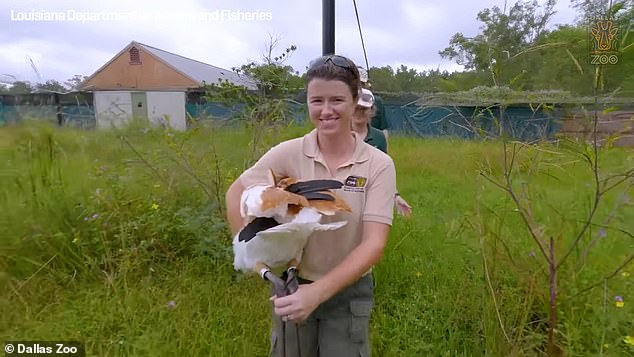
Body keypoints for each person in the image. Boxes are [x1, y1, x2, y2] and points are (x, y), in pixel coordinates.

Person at [225, 54, 396, 356]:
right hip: (291, 284)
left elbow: (374, 244)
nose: (326, 110)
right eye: (316, 100)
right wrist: (254, 257)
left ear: (355, 100)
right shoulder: (288, 153)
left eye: (337, 100)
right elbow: (235, 192)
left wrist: (318, 292)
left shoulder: (378, 164)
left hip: (348, 292)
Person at [352, 88, 412, 217]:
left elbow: (384, 171)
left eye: (364, 109)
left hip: (371, 196)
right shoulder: (339, 135)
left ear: (371, 111)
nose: (359, 112)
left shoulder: (379, 137)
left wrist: (395, 196)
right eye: (356, 108)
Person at [357, 67, 390, 146]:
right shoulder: (346, 100)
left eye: (361, 83)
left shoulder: (377, 101)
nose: (359, 87)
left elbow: (383, 128)